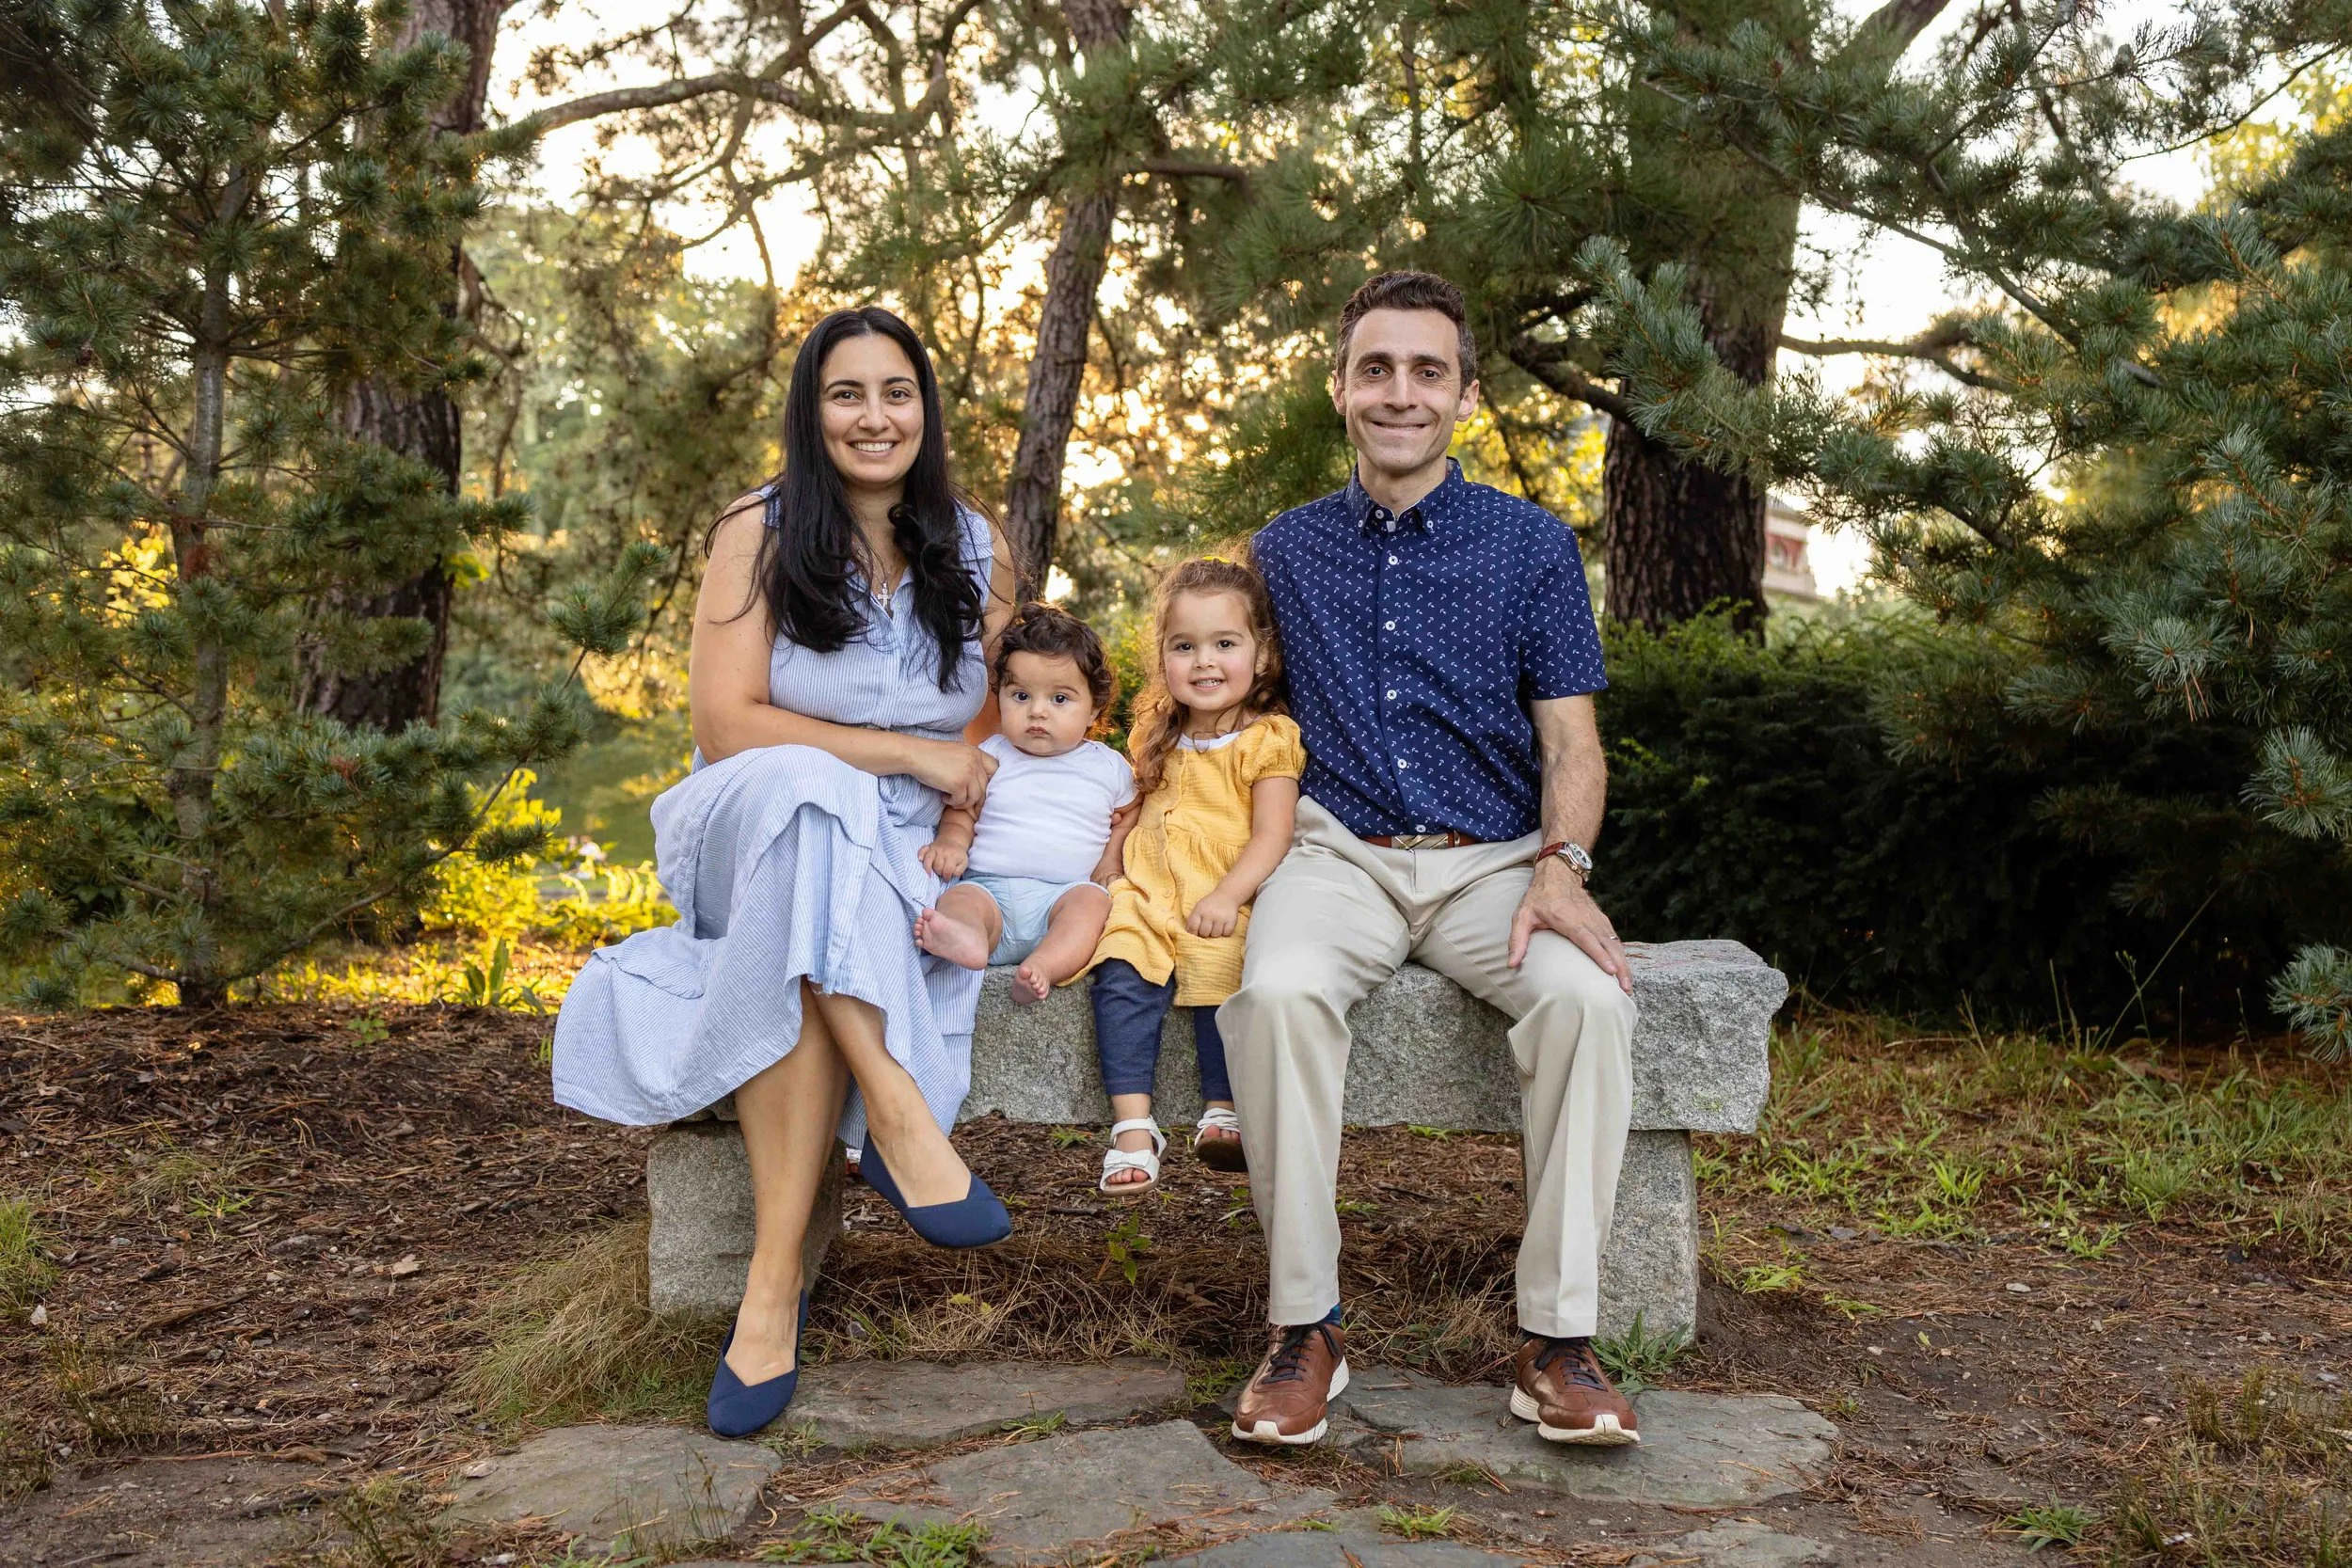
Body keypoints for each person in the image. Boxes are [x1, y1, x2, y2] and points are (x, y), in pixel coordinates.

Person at [550, 306, 1019, 1439]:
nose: (874, 415)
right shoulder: (754, 531)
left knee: (803, 946)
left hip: (896, 856)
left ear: (925, 408)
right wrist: (907, 750)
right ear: (812, 414)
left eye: (895, 391)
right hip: (745, 821)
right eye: (845, 393)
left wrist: (965, 839)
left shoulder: (975, 542)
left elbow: (1000, 722)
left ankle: (768, 1293)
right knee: (811, 798)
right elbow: (725, 724)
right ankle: (900, 1117)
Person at [1221, 272, 1641, 1449]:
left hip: (1495, 864)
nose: (1398, 391)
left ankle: (1556, 1342)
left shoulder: (1531, 545)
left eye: (1425, 370)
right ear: (1339, 388)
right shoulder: (1284, 550)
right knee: (1280, 991)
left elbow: (1573, 742)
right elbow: (1234, 720)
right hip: (1336, 854)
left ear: (1463, 391)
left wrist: (1561, 867)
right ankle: (1305, 1327)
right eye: (1375, 368)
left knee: (1587, 1001)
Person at [1083, 558, 1304, 1196]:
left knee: (1225, 959)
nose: (1204, 661)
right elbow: (1132, 813)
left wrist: (1231, 893)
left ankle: (1222, 1107)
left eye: (1225, 644)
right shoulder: (1159, 733)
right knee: (1120, 961)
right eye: (1185, 646)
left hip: (1221, 888)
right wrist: (1108, 865)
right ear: (1164, 659)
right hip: (1149, 892)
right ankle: (1132, 1128)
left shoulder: (1269, 737)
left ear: (1261, 656)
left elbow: (1273, 832)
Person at [914, 604, 1135, 1004]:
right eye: (1020, 695)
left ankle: (1044, 967)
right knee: (959, 900)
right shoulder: (991, 755)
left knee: (1093, 905)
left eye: (1060, 699)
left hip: (1063, 897)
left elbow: (1131, 812)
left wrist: (1110, 861)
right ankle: (967, 939)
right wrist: (951, 842)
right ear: (999, 698)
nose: (1037, 710)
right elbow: (964, 808)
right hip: (989, 890)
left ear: (1094, 709)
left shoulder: (1108, 766)